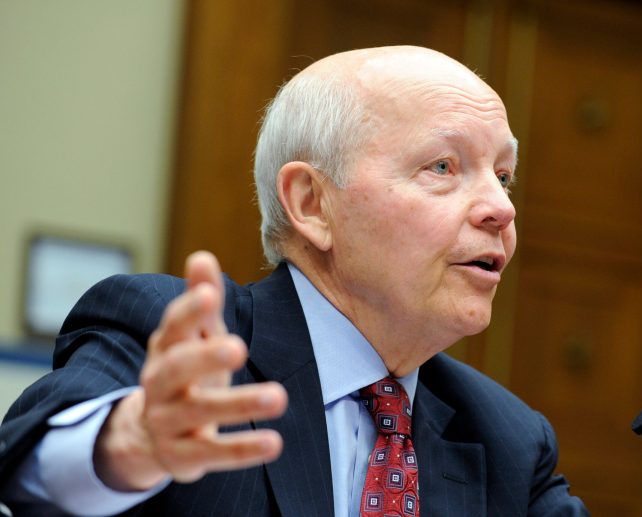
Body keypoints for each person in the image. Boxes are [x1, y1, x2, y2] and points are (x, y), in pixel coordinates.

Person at [0, 46, 588, 516]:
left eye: (504, 176)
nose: (500, 209)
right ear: (312, 204)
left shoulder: (509, 440)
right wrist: (125, 445)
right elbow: (26, 469)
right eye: (443, 167)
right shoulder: (181, 338)